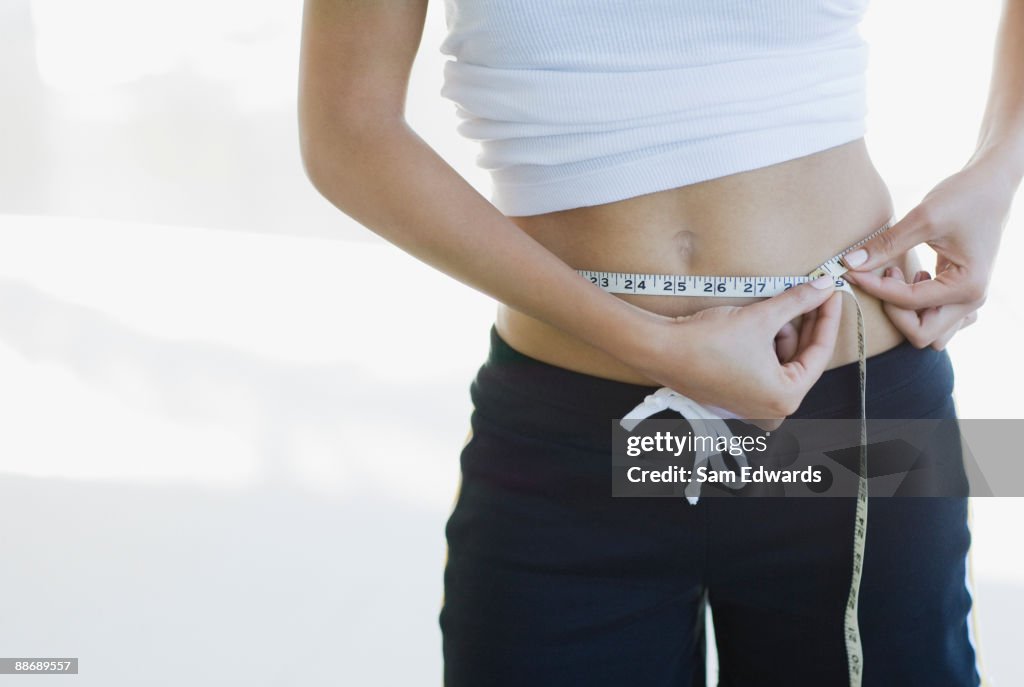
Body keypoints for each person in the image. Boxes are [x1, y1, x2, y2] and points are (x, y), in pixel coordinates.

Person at [297, 1, 1021, 684]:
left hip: (850, 430)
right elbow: (348, 130)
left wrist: (999, 165)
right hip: (572, 443)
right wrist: (647, 343)